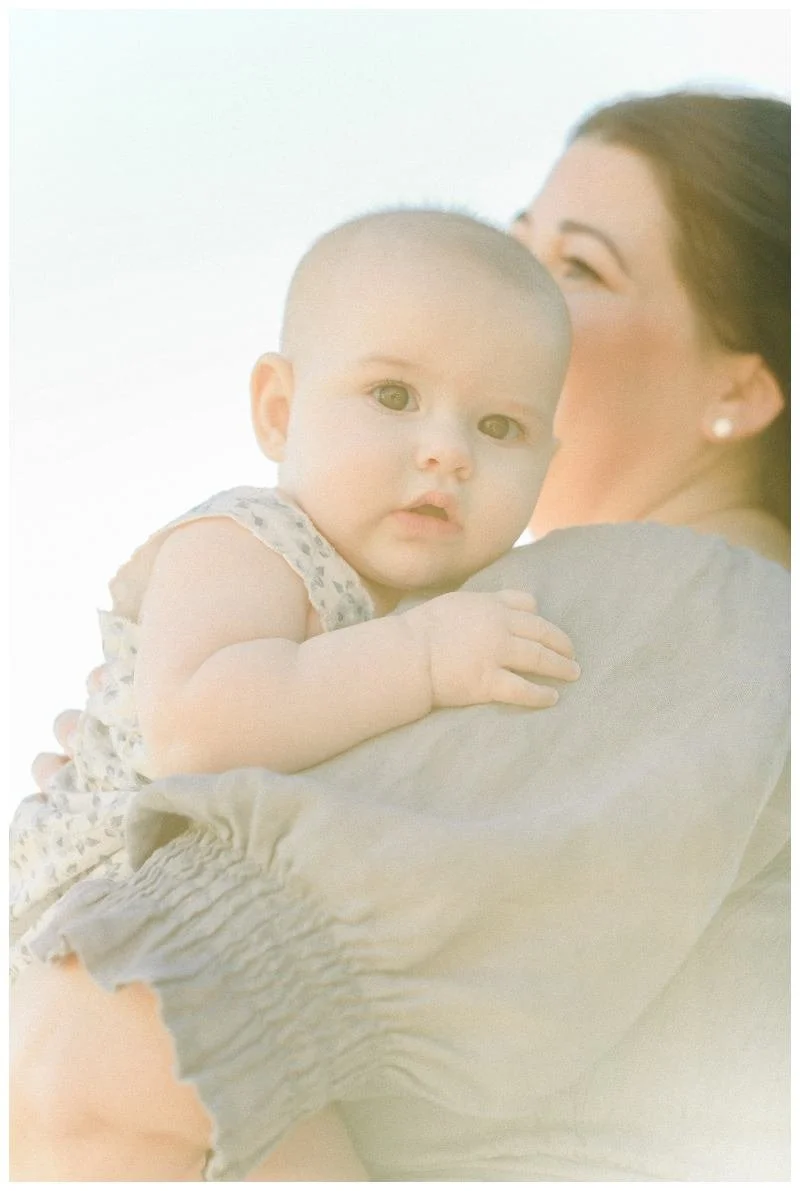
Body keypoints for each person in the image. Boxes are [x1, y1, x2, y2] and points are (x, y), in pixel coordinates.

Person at [11, 89, 789, 1182]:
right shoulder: (348, 580)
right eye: (517, 237)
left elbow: (121, 1048)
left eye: (576, 266)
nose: (505, 290)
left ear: (739, 387)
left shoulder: (676, 611)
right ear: (279, 405)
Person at [10, 208, 579, 983]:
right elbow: (199, 732)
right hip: (106, 911)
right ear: (279, 411)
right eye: (393, 395)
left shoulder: (469, 598)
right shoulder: (249, 540)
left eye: (499, 426)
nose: (449, 452)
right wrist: (423, 657)